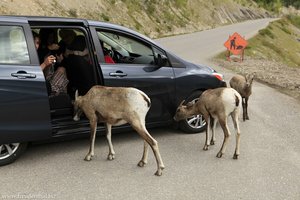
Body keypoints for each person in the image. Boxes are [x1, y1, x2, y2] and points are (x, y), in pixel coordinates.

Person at [33, 30, 69, 96]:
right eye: (49, 37)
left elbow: (52, 65)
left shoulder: (50, 51)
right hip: (40, 85)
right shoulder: (31, 54)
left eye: (38, 43)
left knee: (62, 69)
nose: (36, 46)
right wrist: (44, 63)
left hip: (47, 79)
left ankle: (64, 98)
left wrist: (57, 62)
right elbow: (31, 74)